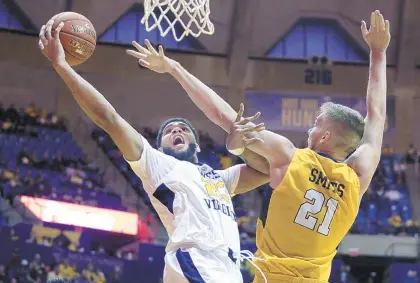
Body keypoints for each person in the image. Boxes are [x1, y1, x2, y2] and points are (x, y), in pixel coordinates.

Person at [127, 9, 390, 283]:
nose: (311, 128)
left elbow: (223, 115)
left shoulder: (289, 157)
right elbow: (377, 114)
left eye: (316, 123)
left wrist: (174, 68)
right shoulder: (359, 175)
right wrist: (379, 53)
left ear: (324, 137)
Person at [38, 17, 270, 283]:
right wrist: (62, 66)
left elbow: (265, 169)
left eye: (183, 129)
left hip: (227, 271)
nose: (176, 131)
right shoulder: (158, 165)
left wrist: (240, 146)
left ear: (196, 147)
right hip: (195, 263)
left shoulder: (219, 178)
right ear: (160, 147)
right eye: (169, 131)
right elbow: (109, 119)